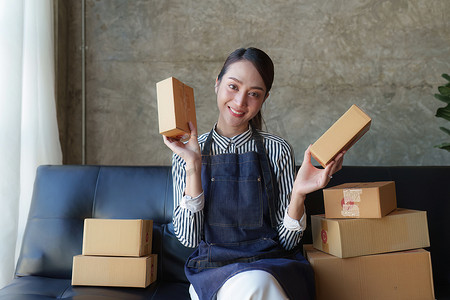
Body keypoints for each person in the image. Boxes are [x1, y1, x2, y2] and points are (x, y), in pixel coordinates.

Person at [163, 47, 344, 300]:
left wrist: (299, 194)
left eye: (254, 94)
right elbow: (189, 238)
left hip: (270, 266)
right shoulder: (186, 151)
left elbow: (288, 243)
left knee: (256, 283)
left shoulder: (276, 150)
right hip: (212, 271)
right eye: (233, 87)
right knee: (252, 286)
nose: (240, 102)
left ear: (264, 98)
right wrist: (194, 166)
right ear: (217, 83)